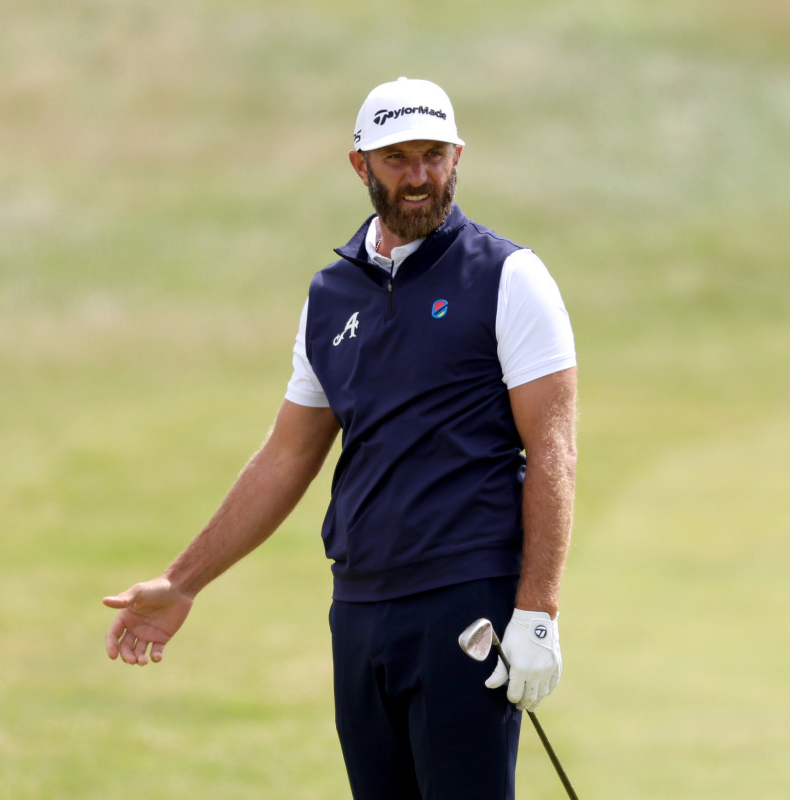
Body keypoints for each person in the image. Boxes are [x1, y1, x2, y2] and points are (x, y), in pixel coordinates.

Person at [103, 77, 577, 800]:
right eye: (396, 159)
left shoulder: (509, 277)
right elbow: (288, 454)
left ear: (457, 157)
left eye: (433, 156)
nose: (418, 177)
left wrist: (538, 612)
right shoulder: (331, 296)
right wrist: (182, 581)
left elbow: (552, 449)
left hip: (465, 602)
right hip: (359, 608)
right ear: (360, 165)